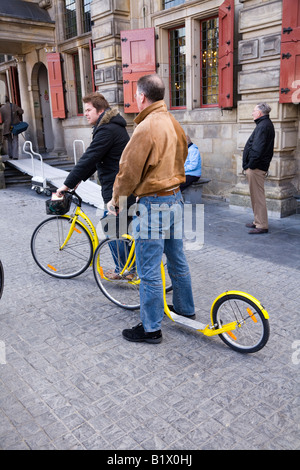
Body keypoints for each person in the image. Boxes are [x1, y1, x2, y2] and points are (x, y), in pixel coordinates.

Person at [107, 74, 195, 344]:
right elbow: (185, 153)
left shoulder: (146, 127)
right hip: (175, 199)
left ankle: (151, 328)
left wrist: (117, 201)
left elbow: (128, 172)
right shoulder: (173, 122)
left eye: (135, 94)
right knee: (177, 258)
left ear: (142, 97)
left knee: (148, 269)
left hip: (154, 204)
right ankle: (185, 309)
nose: (135, 98)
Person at [56, 92, 135, 277]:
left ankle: (125, 270)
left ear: (100, 110)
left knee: (111, 228)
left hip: (118, 189)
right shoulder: (111, 126)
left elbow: (89, 157)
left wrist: (66, 185)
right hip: (122, 186)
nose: (86, 113)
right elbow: (97, 159)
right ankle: (130, 267)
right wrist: (77, 181)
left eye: (88, 109)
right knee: (120, 230)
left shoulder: (107, 130)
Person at [242, 102, 275, 234]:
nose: (252, 113)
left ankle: (261, 225)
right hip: (256, 167)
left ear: (260, 113)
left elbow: (257, 149)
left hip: (256, 168)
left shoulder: (263, 126)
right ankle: (258, 221)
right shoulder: (264, 124)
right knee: (255, 196)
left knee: (258, 196)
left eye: (254, 111)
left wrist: (250, 165)